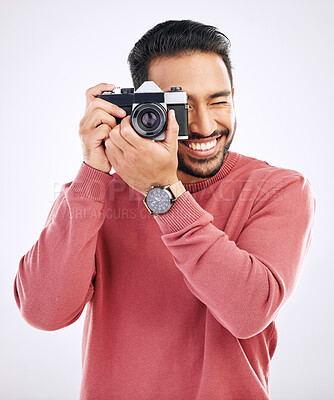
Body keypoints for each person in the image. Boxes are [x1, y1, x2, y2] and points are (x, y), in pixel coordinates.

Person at [14, 20, 315, 400]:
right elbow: (43, 311)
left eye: (218, 101)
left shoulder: (278, 189)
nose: (205, 126)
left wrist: (162, 192)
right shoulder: (96, 192)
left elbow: (249, 312)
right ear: (142, 107)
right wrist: (92, 171)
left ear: (235, 97)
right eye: (181, 106)